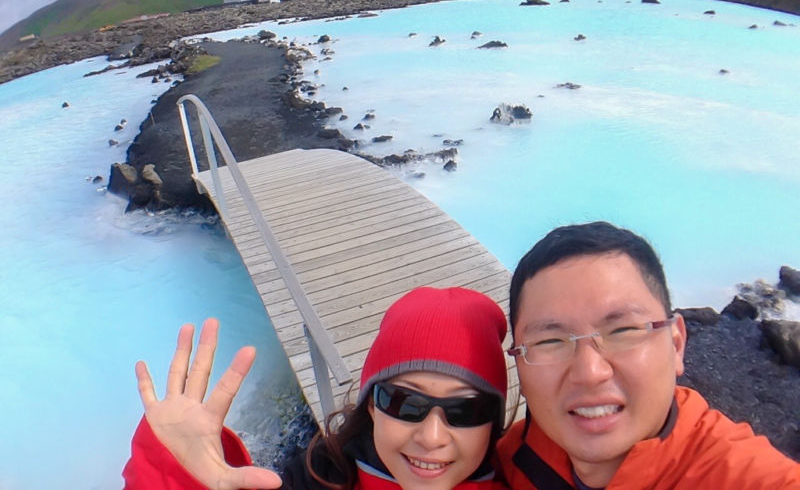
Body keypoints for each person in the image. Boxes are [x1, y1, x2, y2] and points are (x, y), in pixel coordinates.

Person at [497, 221, 800, 489]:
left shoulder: (743, 476)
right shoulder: (513, 456)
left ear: (676, 344)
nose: (590, 372)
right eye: (551, 341)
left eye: (623, 332)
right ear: (520, 366)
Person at [123, 286, 511, 490]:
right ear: (372, 407)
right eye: (404, 402)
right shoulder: (317, 478)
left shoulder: (527, 480)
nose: (432, 436)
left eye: (464, 411)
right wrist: (172, 475)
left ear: (491, 422)